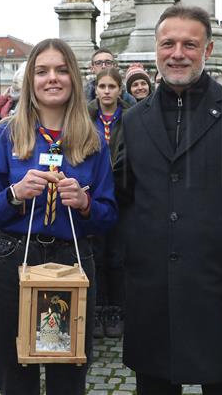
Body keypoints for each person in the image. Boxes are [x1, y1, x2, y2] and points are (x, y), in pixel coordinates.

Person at [114, 5, 222, 393]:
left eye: (189, 44)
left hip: (221, 299)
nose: (178, 53)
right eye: (168, 43)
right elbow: (125, 201)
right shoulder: (134, 120)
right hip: (153, 299)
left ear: (209, 48)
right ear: (155, 48)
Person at [0, 38, 117, 395]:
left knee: (68, 371)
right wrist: (14, 195)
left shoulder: (93, 139)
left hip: (72, 259)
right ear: (30, 80)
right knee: (15, 368)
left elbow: (108, 215)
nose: (52, 78)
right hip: (12, 258)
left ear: (73, 77)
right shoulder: (6, 133)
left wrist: (84, 206)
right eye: (42, 71)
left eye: (61, 69)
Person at [88, 67, 131, 338]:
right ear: (96, 90)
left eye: (111, 87)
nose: (106, 92)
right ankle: (97, 307)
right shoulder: (85, 116)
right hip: (92, 193)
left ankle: (116, 309)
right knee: (96, 254)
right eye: (102, 87)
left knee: (117, 255)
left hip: (121, 191)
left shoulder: (129, 117)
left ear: (119, 90)